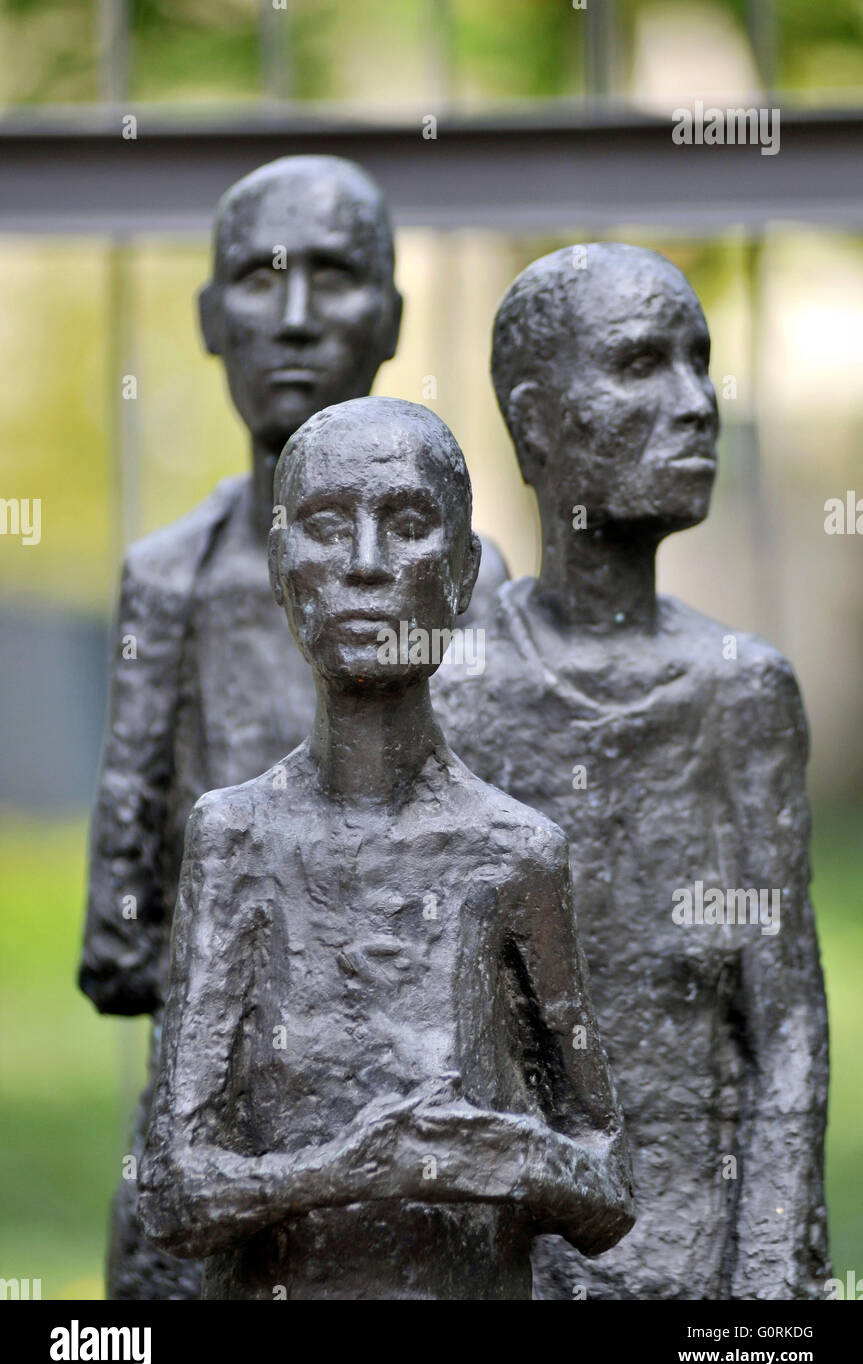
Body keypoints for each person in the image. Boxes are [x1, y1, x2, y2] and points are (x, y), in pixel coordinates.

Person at [79, 154, 508, 1299]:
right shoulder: (167, 580)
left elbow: (510, 881)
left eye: (335, 275)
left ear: (392, 312)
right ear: (210, 318)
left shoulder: (479, 588)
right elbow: (117, 943)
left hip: (429, 1168)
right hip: (208, 1159)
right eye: (261, 281)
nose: (299, 317)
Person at [138, 396, 634, 1300]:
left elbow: (609, 1184)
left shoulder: (516, 853)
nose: (365, 566)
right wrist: (353, 1168)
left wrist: (515, 1157)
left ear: (462, 572)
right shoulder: (235, 837)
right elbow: (173, 1193)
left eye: (406, 525)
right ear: (283, 570)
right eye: (326, 528)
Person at [435, 243, 830, 1300]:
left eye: (698, 361)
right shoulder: (458, 686)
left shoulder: (740, 691)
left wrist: (761, 1275)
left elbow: (783, 1019)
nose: (695, 401)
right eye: (638, 364)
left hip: (699, 1255)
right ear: (531, 419)